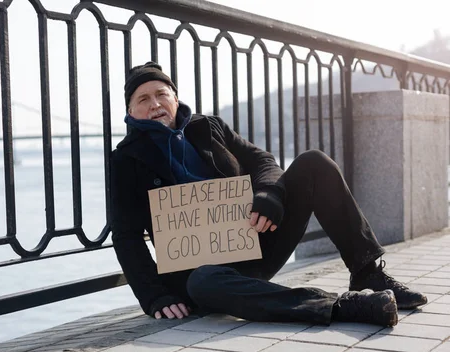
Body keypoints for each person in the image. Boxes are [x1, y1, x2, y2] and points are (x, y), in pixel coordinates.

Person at [110, 61, 428, 327]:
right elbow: (126, 236)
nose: (154, 104)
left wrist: (268, 194)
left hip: (256, 244)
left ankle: (367, 273)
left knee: (313, 163)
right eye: (143, 99)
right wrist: (155, 296)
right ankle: (342, 307)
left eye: (161, 94)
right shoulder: (126, 159)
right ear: (131, 111)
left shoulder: (208, 127)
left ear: (175, 99)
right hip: (205, 277)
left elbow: (262, 161)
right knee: (203, 281)